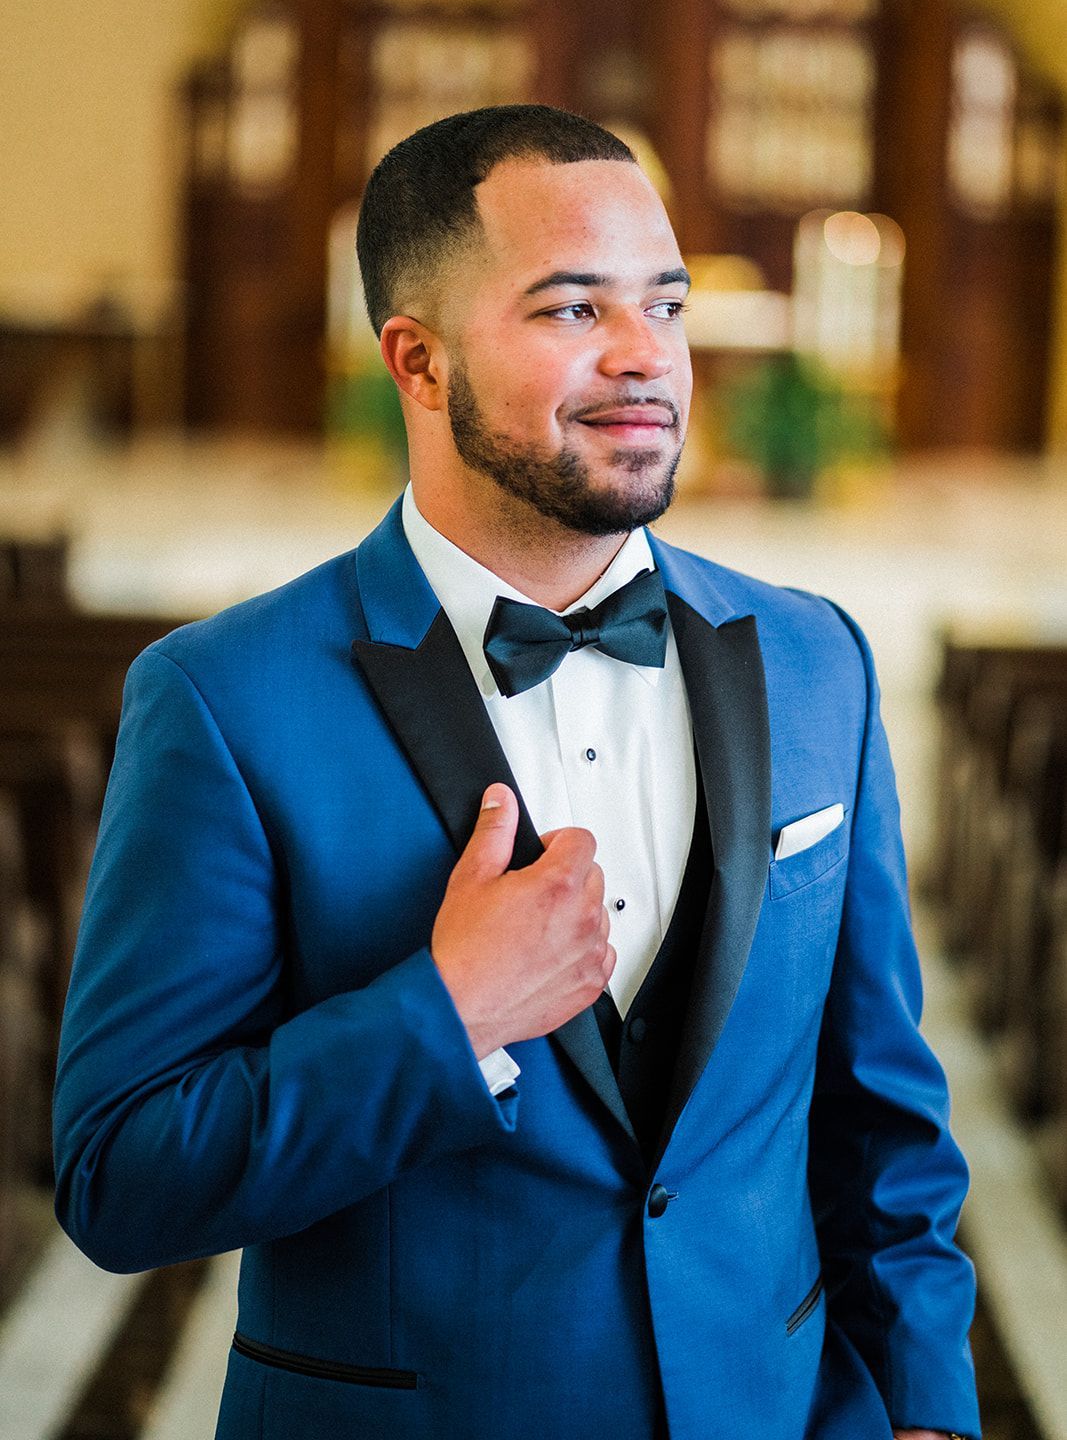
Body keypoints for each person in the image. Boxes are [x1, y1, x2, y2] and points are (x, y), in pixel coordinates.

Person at [53, 105, 980, 1440]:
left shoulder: (815, 658)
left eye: (665, 304)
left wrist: (927, 1409)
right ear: (418, 362)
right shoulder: (223, 700)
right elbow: (122, 1177)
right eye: (571, 308)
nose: (644, 353)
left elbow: (882, 1112)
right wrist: (449, 1015)